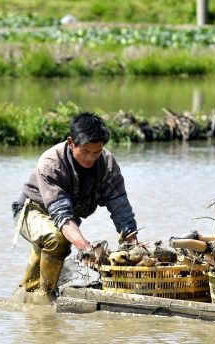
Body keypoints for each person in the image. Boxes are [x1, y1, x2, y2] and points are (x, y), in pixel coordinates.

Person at [11, 112, 139, 304]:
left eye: (97, 152)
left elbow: (120, 206)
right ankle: (46, 299)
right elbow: (61, 215)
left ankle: (26, 304)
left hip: (65, 221)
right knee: (56, 238)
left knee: (37, 273)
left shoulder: (107, 163)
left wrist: (133, 244)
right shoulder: (51, 163)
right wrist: (86, 249)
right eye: (85, 152)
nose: (91, 158)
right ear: (71, 143)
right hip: (32, 211)